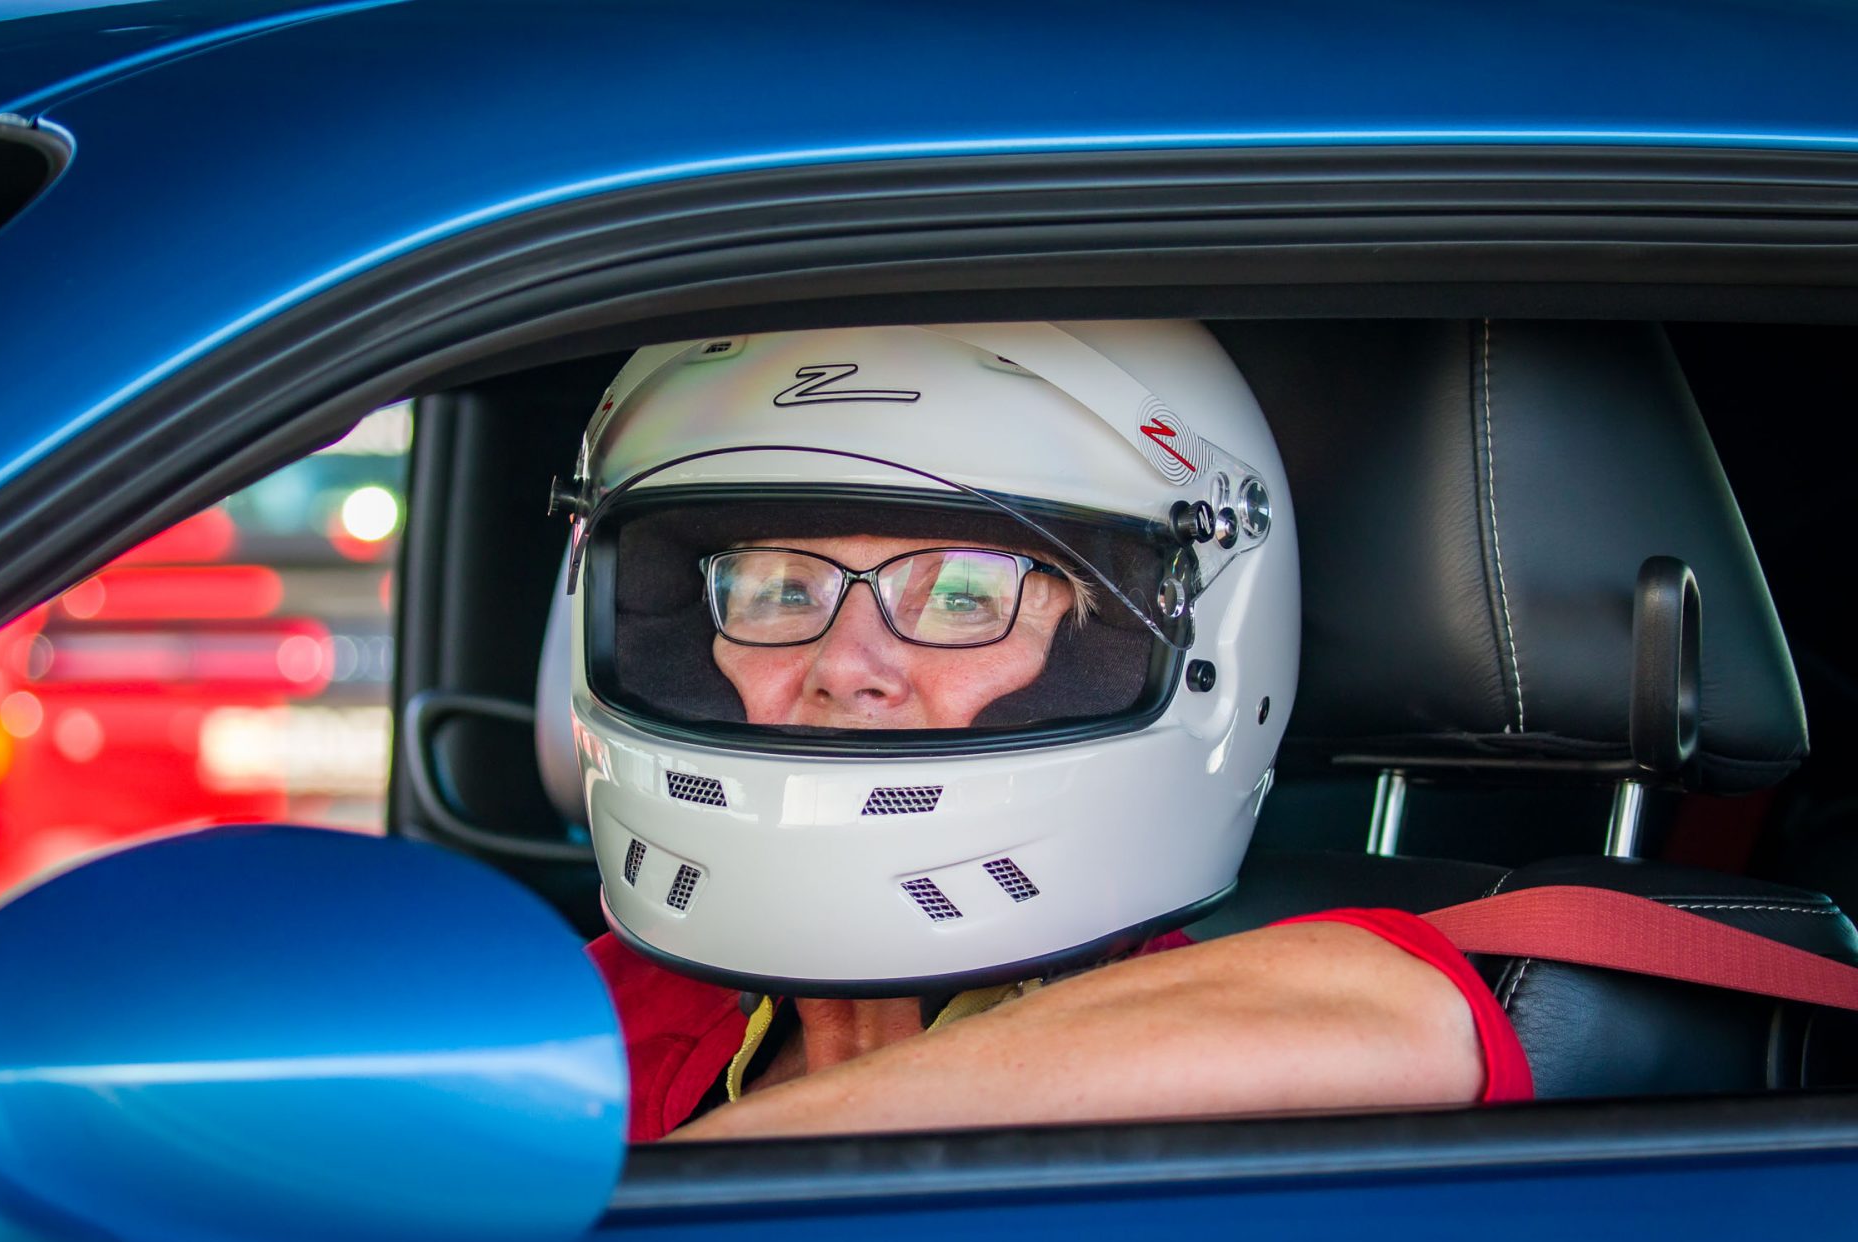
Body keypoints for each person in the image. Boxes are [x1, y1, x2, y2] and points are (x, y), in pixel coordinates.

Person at [560, 320, 1532, 1141]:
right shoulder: (613, 1007)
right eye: (777, 586)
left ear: (1113, 649)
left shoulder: (1241, 1001)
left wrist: (677, 1187)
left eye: (960, 591)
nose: (843, 666)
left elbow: (1400, 1019)